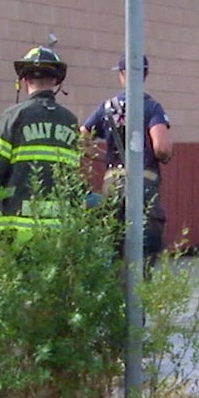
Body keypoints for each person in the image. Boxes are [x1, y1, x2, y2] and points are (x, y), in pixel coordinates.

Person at [81, 54, 173, 267]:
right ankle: (140, 284)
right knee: (145, 248)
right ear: (146, 74)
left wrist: (100, 156)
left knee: (113, 243)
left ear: (122, 74)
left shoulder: (107, 108)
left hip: (113, 182)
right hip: (144, 182)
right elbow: (161, 148)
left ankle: (115, 284)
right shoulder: (152, 107)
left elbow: (81, 137)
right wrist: (168, 154)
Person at [0, 46, 79, 234]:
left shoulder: (12, 118)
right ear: (56, 81)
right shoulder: (70, 122)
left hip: (14, 232)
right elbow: (74, 178)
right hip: (58, 233)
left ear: (24, 81)